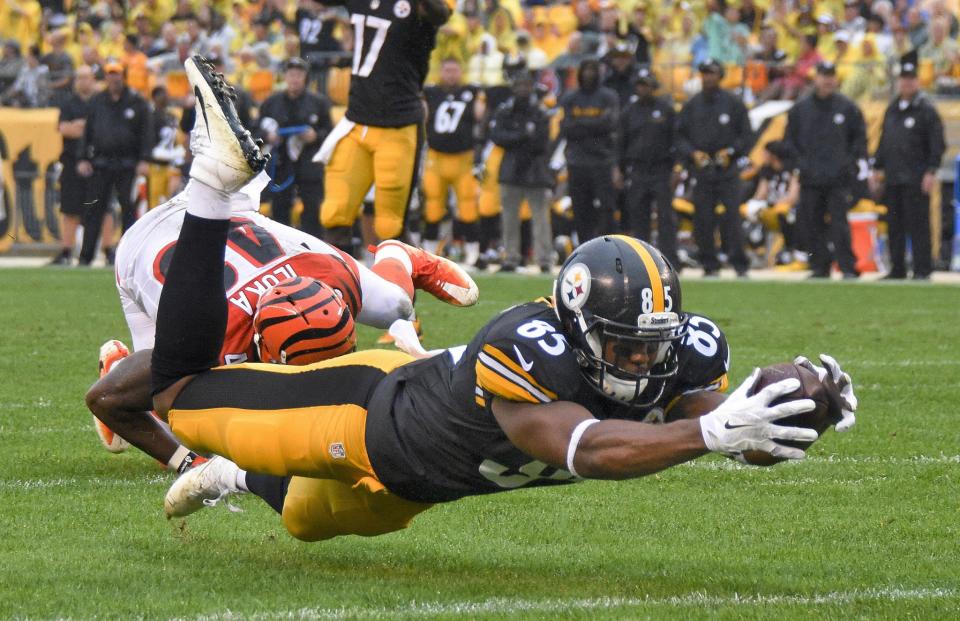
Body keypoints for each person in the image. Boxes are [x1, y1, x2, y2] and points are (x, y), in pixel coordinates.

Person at [150, 58, 857, 537]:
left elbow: (730, 427)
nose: (642, 360)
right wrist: (707, 434)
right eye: (624, 343)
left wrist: (790, 413)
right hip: (366, 409)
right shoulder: (529, 344)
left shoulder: (683, 352)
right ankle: (216, 180)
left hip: (419, 481)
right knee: (178, 395)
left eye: (653, 342)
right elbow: (588, 448)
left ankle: (238, 474)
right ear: (577, 327)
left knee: (304, 520)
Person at [86, 55, 481, 475]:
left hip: (238, 216)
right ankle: (125, 367)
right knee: (179, 409)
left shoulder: (332, 275)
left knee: (397, 304)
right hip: (146, 243)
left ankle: (400, 253)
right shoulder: (220, 342)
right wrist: (190, 464)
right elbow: (104, 398)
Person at [316, 0, 451, 252]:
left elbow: (440, 14)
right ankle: (335, 288)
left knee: (391, 227)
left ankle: (405, 289)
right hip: (357, 121)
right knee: (334, 215)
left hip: (397, 126)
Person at [784, 61, 866, 280]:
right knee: (812, 223)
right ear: (816, 77)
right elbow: (789, 142)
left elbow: (859, 141)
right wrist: (800, 166)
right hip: (811, 178)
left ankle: (847, 267)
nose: (828, 80)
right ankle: (820, 266)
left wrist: (849, 165)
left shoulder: (847, 108)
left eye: (831, 75)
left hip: (838, 178)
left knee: (840, 224)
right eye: (824, 75)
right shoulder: (801, 109)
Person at [872, 52, 946, 281]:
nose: (906, 82)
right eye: (903, 78)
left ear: (918, 81)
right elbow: (884, 141)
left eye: (911, 78)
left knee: (918, 225)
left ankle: (923, 269)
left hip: (916, 177)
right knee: (894, 225)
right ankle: (897, 268)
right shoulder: (892, 108)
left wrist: (931, 171)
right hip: (893, 176)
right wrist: (878, 167)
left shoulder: (926, 110)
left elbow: (937, 143)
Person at [675, 59, 750, 277]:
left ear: (721, 75)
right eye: (704, 73)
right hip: (703, 171)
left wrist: (731, 152)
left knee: (733, 218)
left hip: (728, 171)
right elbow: (680, 136)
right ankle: (709, 264)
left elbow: (745, 135)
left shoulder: (733, 103)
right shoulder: (692, 105)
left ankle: (740, 264)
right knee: (702, 219)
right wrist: (692, 153)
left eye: (712, 73)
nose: (708, 77)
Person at [77, 60, 152, 266]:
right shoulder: (97, 101)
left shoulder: (136, 101)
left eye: (117, 73)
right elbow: (88, 132)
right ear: (106, 76)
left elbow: (146, 133)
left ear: (123, 75)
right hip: (101, 162)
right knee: (94, 210)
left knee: (128, 209)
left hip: (128, 164)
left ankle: (129, 258)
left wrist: (144, 159)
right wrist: (83, 157)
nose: (114, 77)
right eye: (110, 73)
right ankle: (86, 257)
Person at [259, 57, 332, 238]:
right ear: (285, 77)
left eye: (299, 75)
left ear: (305, 77)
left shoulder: (319, 102)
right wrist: (269, 136)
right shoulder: (271, 102)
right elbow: (256, 129)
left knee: (312, 209)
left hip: (309, 163)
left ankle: (314, 250)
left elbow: (330, 132)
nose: (294, 79)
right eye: (291, 74)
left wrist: (315, 136)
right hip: (281, 163)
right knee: (280, 211)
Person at [421, 58, 484, 266]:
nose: (450, 74)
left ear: (461, 72)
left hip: (463, 159)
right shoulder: (431, 93)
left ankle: (472, 251)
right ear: (440, 72)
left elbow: (480, 116)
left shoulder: (471, 92)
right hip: (436, 158)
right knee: (432, 206)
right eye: (447, 70)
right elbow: (422, 117)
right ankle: (427, 251)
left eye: (454, 70)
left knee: (467, 206)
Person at [489, 70, 553, 272]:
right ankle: (510, 257)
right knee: (509, 218)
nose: (523, 89)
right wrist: (524, 134)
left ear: (532, 88)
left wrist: (516, 136)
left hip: (534, 170)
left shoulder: (540, 111)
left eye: (526, 85)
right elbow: (497, 137)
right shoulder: (505, 111)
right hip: (512, 169)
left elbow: (541, 142)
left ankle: (544, 259)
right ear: (513, 88)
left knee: (540, 217)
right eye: (519, 85)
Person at [618, 67, 678, 269]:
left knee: (665, 217)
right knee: (638, 216)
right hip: (637, 169)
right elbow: (621, 142)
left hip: (661, 169)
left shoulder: (666, 109)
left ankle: (669, 260)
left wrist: (676, 168)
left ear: (654, 87)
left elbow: (675, 139)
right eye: (640, 85)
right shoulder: (629, 111)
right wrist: (617, 169)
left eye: (647, 85)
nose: (643, 89)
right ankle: (641, 262)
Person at [560, 58, 619, 245]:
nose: (588, 74)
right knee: (580, 208)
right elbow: (566, 127)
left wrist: (580, 124)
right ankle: (584, 247)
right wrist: (595, 125)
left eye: (592, 70)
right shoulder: (570, 97)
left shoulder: (608, 96)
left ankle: (608, 246)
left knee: (606, 207)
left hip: (602, 160)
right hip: (577, 161)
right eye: (585, 70)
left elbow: (609, 124)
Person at [50, 65, 96, 266]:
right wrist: (85, 128)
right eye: (80, 77)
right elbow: (64, 129)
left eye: (87, 77)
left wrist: (80, 127)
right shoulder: (68, 103)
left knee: (101, 209)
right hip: (71, 161)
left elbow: (99, 131)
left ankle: (104, 250)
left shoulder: (99, 102)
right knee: (69, 209)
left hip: (96, 163)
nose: (83, 81)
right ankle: (67, 250)